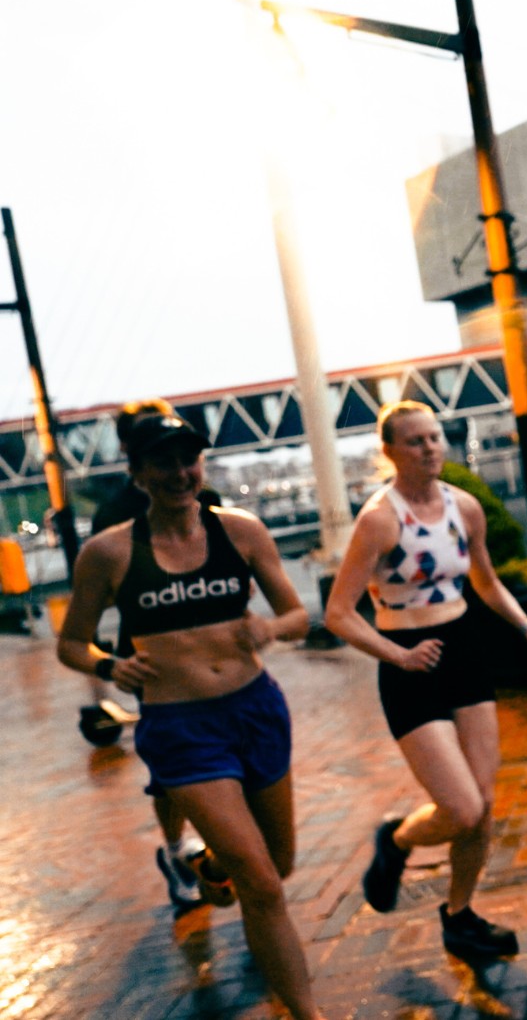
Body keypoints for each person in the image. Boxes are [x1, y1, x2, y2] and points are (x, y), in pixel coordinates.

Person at [56, 414, 324, 1020]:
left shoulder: (242, 532)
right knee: (262, 884)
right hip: (181, 729)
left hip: (255, 711)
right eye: (163, 462)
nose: (180, 473)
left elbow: (298, 616)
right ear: (138, 472)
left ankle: (210, 864)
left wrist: (270, 626)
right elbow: (70, 643)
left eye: (189, 459)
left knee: (276, 867)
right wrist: (106, 665)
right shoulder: (109, 552)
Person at [323, 400, 527, 959]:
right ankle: (397, 840)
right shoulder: (380, 519)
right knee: (460, 809)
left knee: (482, 804)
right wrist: (397, 656)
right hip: (408, 662)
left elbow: (486, 581)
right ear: (390, 452)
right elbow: (338, 613)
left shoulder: (465, 508)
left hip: (465, 654)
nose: (430, 448)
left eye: (435, 437)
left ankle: (460, 917)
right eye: (415, 441)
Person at [87, 398, 226, 913]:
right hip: (155, 663)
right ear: (131, 452)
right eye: (149, 439)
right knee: (171, 766)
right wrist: (110, 663)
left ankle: (223, 855)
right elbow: (92, 598)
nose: (174, 466)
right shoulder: (113, 515)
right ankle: (176, 849)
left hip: (219, 653)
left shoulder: (207, 499)